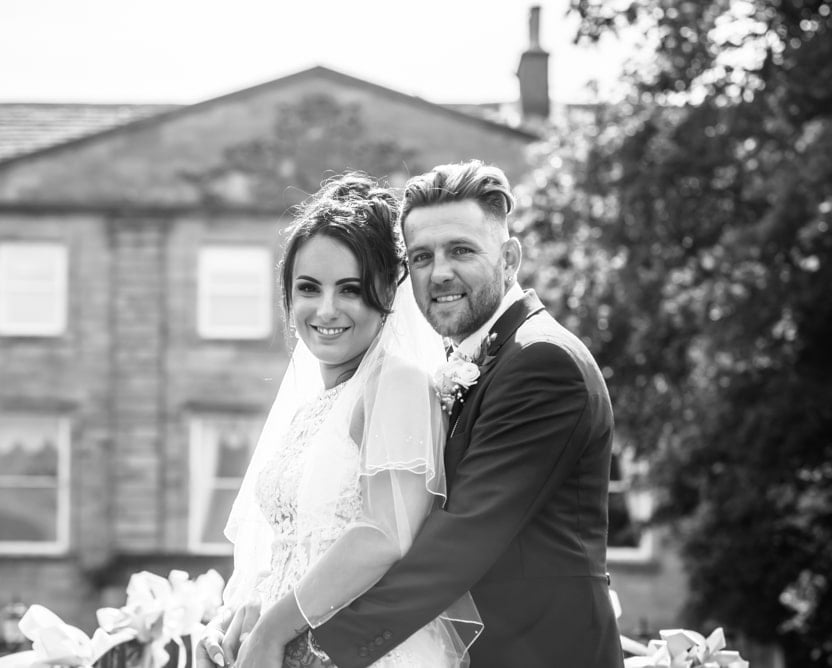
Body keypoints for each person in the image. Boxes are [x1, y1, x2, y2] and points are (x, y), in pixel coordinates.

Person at [224, 160, 624, 668]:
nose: (440, 273)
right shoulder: (461, 362)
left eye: (461, 250)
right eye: (421, 257)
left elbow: (458, 541)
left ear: (509, 259)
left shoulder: (543, 362)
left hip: (540, 651)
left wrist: (310, 643)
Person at [197, 173, 481, 668]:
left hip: (355, 651)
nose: (326, 309)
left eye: (350, 289)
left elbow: (384, 535)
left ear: (386, 295)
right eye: (309, 288)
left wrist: (269, 631)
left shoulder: (396, 382)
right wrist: (236, 620)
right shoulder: (312, 405)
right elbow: (293, 545)